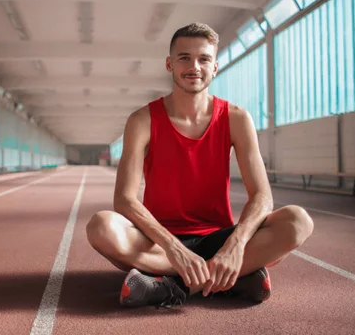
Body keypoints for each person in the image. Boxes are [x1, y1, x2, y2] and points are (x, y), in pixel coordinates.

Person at [86, 23, 314, 308]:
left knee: (298, 222)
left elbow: (263, 196)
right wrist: (174, 248)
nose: (194, 66)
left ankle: (173, 285)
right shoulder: (142, 120)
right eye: (184, 58)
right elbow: (124, 199)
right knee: (101, 227)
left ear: (215, 67)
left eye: (203, 59)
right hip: (158, 241)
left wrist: (235, 245)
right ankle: (231, 278)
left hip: (217, 239)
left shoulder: (236, 118)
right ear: (169, 64)